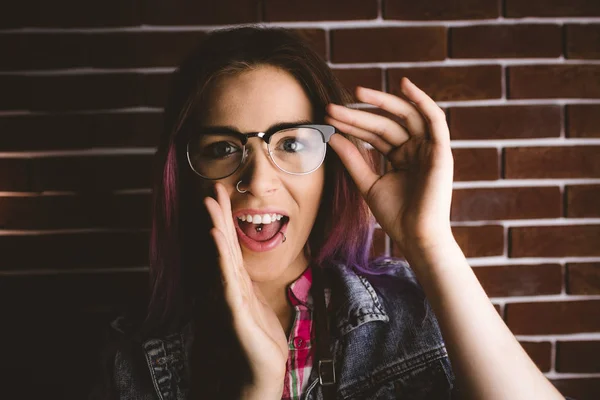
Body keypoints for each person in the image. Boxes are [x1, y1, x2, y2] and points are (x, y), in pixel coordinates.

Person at [92, 26, 569, 400]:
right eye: (223, 146)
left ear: (329, 168)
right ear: (186, 172)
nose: (258, 181)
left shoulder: (411, 313)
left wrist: (430, 243)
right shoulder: (135, 360)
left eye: (292, 143)